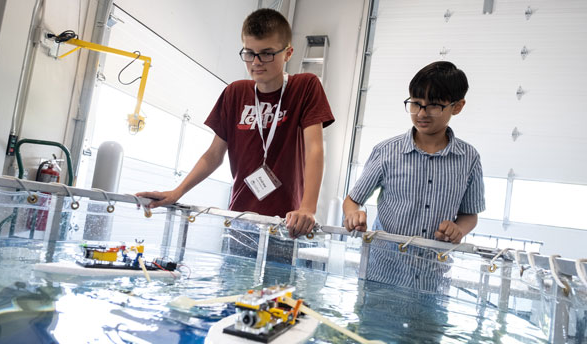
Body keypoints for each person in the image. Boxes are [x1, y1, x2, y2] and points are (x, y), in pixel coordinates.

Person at [137, 9, 334, 239]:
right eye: (250, 53)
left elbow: (315, 149)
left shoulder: (305, 87)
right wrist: (177, 192)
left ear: (288, 53)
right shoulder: (235, 93)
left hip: (287, 224)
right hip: (239, 220)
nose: (256, 62)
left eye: (267, 53)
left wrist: (307, 208)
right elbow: (213, 155)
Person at [343, 61, 485, 244]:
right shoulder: (386, 152)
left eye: (434, 105)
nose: (421, 113)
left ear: (457, 106)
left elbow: (470, 215)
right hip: (384, 266)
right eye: (416, 104)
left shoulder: (469, 158)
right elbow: (352, 200)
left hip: (433, 268)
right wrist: (353, 214)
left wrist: (458, 229)